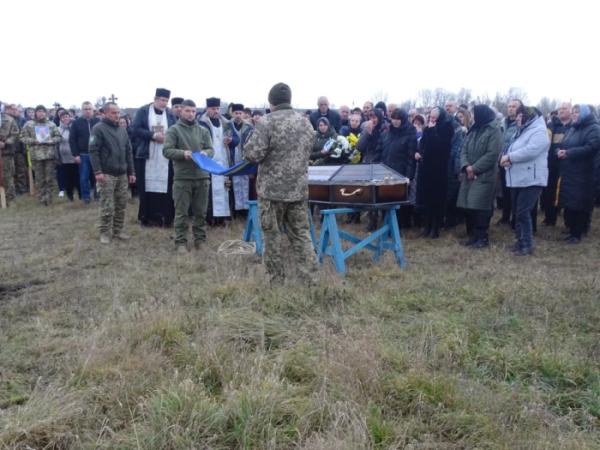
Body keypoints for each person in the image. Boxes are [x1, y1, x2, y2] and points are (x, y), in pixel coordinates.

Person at [243, 82, 318, 285]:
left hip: (271, 192)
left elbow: (252, 154)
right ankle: (310, 280)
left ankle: (276, 282)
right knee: (302, 235)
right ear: (289, 100)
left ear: (271, 102)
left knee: (272, 237)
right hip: (298, 190)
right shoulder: (305, 123)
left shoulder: (267, 122)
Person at [163, 99, 214, 252]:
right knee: (181, 212)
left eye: (193, 111)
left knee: (200, 212)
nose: (191, 114)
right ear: (181, 111)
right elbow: (166, 151)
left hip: (202, 177)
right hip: (183, 178)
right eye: (188, 111)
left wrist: (206, 153)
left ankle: (200, 240)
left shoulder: (203, 130)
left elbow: (211, 149)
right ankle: (180, 242)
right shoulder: (174, 130)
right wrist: (182, 153)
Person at [500, 106, 550, 255]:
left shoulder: (539, 131)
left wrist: (510, 157)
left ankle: (527, 245)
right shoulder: (522, 131)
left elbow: (531, 150)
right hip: (518, 177)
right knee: (517, 212)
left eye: (520, 116)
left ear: (528, 116)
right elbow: (512, 147)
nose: (517, 118)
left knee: (523, 212)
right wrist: (505, 157)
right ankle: (520, 241)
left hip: (532, 179)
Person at [89, 102, 136, 244]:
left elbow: (128, 151)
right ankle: (104, 232)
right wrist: (98, 171)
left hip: (122, 173)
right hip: (106, 174)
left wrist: (131, 171)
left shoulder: (122, 130)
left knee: (121, 204)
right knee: (107, 205)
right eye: (113, 113)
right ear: (105, 113)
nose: (116, 115)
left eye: (118, 112)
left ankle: (118, 230)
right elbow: (93, 151)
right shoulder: (98, 129)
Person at [457, 105, 503, 248]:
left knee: (481, 207)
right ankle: (472, 236)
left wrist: (474, 168)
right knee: (468, 205)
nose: (472, 116)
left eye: (473, 113)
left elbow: (492, 154)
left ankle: (482, 238)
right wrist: (466, 166)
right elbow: (463, 148)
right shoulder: (474, 129)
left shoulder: (494, 130)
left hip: (484, 175)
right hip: (469, 174)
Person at [131, 88, 176, 226]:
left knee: (166, 186)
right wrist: (153, 136)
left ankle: (164, 218)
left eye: (166, 101)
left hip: (165, 155)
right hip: (147, 154)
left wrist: (169, 137)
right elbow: (134, 129)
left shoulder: (169, 113)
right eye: (162, 100)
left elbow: (175, 129)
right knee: (146, 186)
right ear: (155, 99)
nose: (164, 103)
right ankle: (147, 218)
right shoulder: (143, 111)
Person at [556, 104, 600, 243]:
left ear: (586, 114)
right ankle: (571, 229)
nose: (574, 114)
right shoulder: (573, 128)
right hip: (569, 172)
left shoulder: (594, 128)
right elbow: (563, 144)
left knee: (580, 204)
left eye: (577, 112)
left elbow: (591, 148)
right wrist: (559, 151)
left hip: (584, 173)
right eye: (573, 112)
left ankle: (577, 233)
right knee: (570, 203)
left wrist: (569, 153)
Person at [415, 106, 454, 238]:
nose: (431, 120)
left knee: (436, 199)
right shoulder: (428, 129)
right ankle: (427, 225)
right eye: (430, 117)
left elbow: (440, 146)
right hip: (426, 168)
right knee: (427, 198)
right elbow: (423, 144)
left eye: (434, 118)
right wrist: (419, 152)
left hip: (439, 169)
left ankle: (435, 227)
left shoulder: (447, 128)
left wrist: (431, 131)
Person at [377, 108, 417, 228]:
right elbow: (379, 151)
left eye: (398, 119)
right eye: (393, 118)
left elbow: (411, 157)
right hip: (385, 171)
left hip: (400, 171)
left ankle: (399, 226)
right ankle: (386, 225)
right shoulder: (386, 134)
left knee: (398, 201)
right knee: (385, 199)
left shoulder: (410, 134)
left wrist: (409, 176)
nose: (395, 121)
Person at [198, 97, 234, 224]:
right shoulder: (201, 123)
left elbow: (236, 139)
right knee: (210, 190)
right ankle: (210, 218)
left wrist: (230, 141)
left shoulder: (225, 122)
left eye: (218, 108)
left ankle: (222, 218)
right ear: (207, 109)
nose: (216, 111)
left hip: (223, 159)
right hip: (209, 160)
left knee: (224, 188)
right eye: (213, 109)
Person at [20, 105, 62, 205]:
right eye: (39, 111)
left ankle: (49, 198)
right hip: (36, 156)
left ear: (46, 113)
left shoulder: (51, 124)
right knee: (39, 179)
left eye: (43, 111)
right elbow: (22, 137)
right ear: (35, 113)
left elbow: (58, 137)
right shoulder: (29, 124)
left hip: (49, 155)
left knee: (49, 178)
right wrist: (34, 141)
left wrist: (51, 140)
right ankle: (42, 199)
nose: (41, 113)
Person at [542, 102, 571, 226]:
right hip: (552, 164)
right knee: (549, 191)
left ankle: (569, 221)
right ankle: (550, 218)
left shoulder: (574, 126)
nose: (561, 111)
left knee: (567, 192)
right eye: (560, 109)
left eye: (564, 108)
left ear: (570, 110)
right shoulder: (551, 125)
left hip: (568, 164)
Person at [497, 98, 523, 225]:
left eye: (514, 106)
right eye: (509, 106)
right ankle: (505, 216)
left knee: (515, 192)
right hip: (502, 161)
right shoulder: (502, 123)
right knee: (505, 190)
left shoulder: (522, 123)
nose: (511, 108)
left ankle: (515, 218)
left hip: (514, 161)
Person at [69, 101, 99, 203]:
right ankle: (86, 197)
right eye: (85, 109)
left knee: (97, 176)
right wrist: (75, 155)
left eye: (89, 109)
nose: (87, 111)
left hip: (96, 154)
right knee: (83, 178)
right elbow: (72, 139)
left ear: (93, 110)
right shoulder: (76, 123)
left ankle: (97, 195)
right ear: (82, 110)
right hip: (83, 154)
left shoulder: (98, 122)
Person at [228, 103, 254, 217]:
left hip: (245, 158)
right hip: (233, 156)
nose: (238, 115)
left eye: (240, 113)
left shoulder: (249, 127)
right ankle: (236, 210)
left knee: (245, 183)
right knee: (235, 183)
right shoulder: (227, 125)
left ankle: (245, 209)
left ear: (243, 114)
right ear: (232, 113)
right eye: (236, 113)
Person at [5, 104, 28, 195]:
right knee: (10, 172)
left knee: (21, 170)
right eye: (12, 109)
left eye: (15, 109)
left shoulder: (22, 120)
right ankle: (11, 191)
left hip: (19, 150)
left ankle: (22, 189)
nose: (14, 111)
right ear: (7, 110)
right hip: (7, 150)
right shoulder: (4, 120)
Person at [57, 111, 80, 201]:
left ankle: (80, 194)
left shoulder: (75, 128)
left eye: (67, 116)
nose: (65, 118)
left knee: (77, 177)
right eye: (63, 117)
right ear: (60, 119)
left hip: (74, 156)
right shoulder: (58, 129)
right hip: (64, 158)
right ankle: (70, 195)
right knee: (67, 178)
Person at [0, 107, 19, 204]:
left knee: (8, 176)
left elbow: (15, 133)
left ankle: (10, 198)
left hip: (6, 153)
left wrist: (6, 142)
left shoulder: (9, 119)